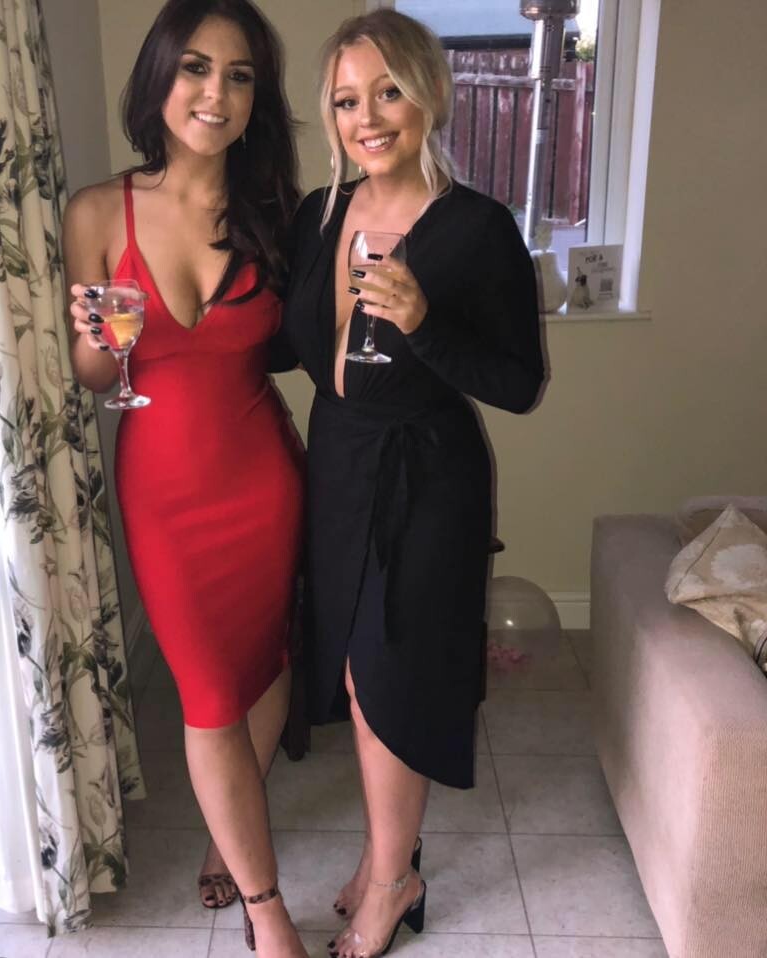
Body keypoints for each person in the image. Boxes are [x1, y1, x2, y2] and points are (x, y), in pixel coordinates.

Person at [271, 10, 545, 957]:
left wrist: (425, 322)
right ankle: (387, 854)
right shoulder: (320, 213)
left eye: (388, 91)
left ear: (430, 93)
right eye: (348, 100)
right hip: (339, 461)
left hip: (428, 473)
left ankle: (393, 881)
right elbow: (288, 343)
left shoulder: (477, 227)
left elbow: (518, 384)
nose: (368, 117)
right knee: (355, 679)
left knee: (387, 673)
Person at [62, 1, 307, 954]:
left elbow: (309, 337)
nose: (215, 92)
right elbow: (95, 377)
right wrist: (95, 338)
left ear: (256, 98)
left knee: (264, 662)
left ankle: (226, 837)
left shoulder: (275, 211)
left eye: (239, 75)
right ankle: (267, 908)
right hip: (163, 494)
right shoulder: (97, 211)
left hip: (263, 478)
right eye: (196, 67)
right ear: (159, 76)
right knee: (206, 693)